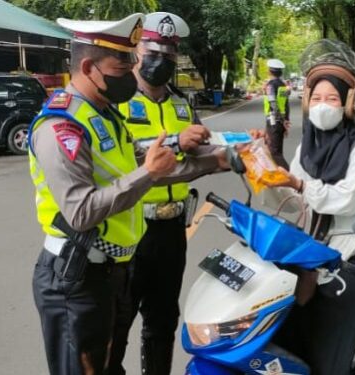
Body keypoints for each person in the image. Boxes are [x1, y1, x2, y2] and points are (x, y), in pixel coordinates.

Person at [29, 14, 227, 375]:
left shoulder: (105, 117)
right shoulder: (61, 126)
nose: (131, 70)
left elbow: (158, 166)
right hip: (75, 275)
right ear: (89, 67)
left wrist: (221, 160)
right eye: (122, 63)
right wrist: (149, 173)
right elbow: (81, 211)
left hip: (109, 269)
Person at [258, 39, 355, 375]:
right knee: (283, 326)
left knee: (329, 347)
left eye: (331, 98)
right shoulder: (306, 146)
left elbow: (346, 198)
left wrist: (300, 183)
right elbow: (293, 204)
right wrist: (261, 165)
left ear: (348, 101)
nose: (322, 105)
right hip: (316, 254)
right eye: (316, 98)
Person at [115, 12, 212, 375]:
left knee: (163, 320)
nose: (160, 61)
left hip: (172, 230)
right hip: (131, 228)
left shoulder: (183, 105)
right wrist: (175, 141)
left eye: (168, 56)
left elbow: (202, 146)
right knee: (119, 319)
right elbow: (121, 152)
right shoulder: (117, 101)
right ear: (136, 52)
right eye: (153, 51)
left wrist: (239, 149)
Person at [263, 58, 292, 169]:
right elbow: (285, 104)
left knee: (274, 152)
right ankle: (279, 175)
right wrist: (286, 120)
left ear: (270, 71)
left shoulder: (270, 86)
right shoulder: (282, 85)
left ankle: (289, 175)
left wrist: (282, 120)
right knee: (277, 149)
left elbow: (273, 104)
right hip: (280, 121)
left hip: (274, 120)